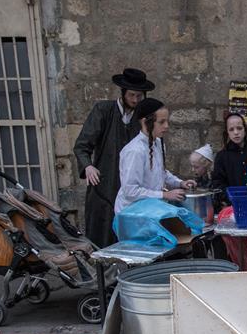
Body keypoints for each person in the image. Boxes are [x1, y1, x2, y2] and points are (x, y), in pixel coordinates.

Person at [73, 67, 155, 247]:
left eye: (139, 96)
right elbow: (81, 146)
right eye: (131, 95)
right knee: (102, 241)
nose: (135, 100)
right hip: (104, 189)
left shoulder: (144, 119)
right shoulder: (103, 111)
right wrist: (88, 166)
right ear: (123, 93)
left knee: (132, 243)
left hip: (131, 191)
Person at [114, 98, 196, 214]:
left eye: (167, 121)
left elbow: (160, 172)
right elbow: (130, 191)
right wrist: (165, 194)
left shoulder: (157, 143)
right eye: (161, 122)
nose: (167, 126)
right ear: (144, 122)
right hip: (131, 214)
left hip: (150, 209)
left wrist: (179, 183)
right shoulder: (134, 151)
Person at [211, 112, 247, 205]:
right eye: (231, 129)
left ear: (245, 129)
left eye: (239, 128)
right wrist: (230, 197)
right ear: (227, 132)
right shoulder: (222, 156)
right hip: (234, 207)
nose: (236, 132)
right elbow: (218, 183)